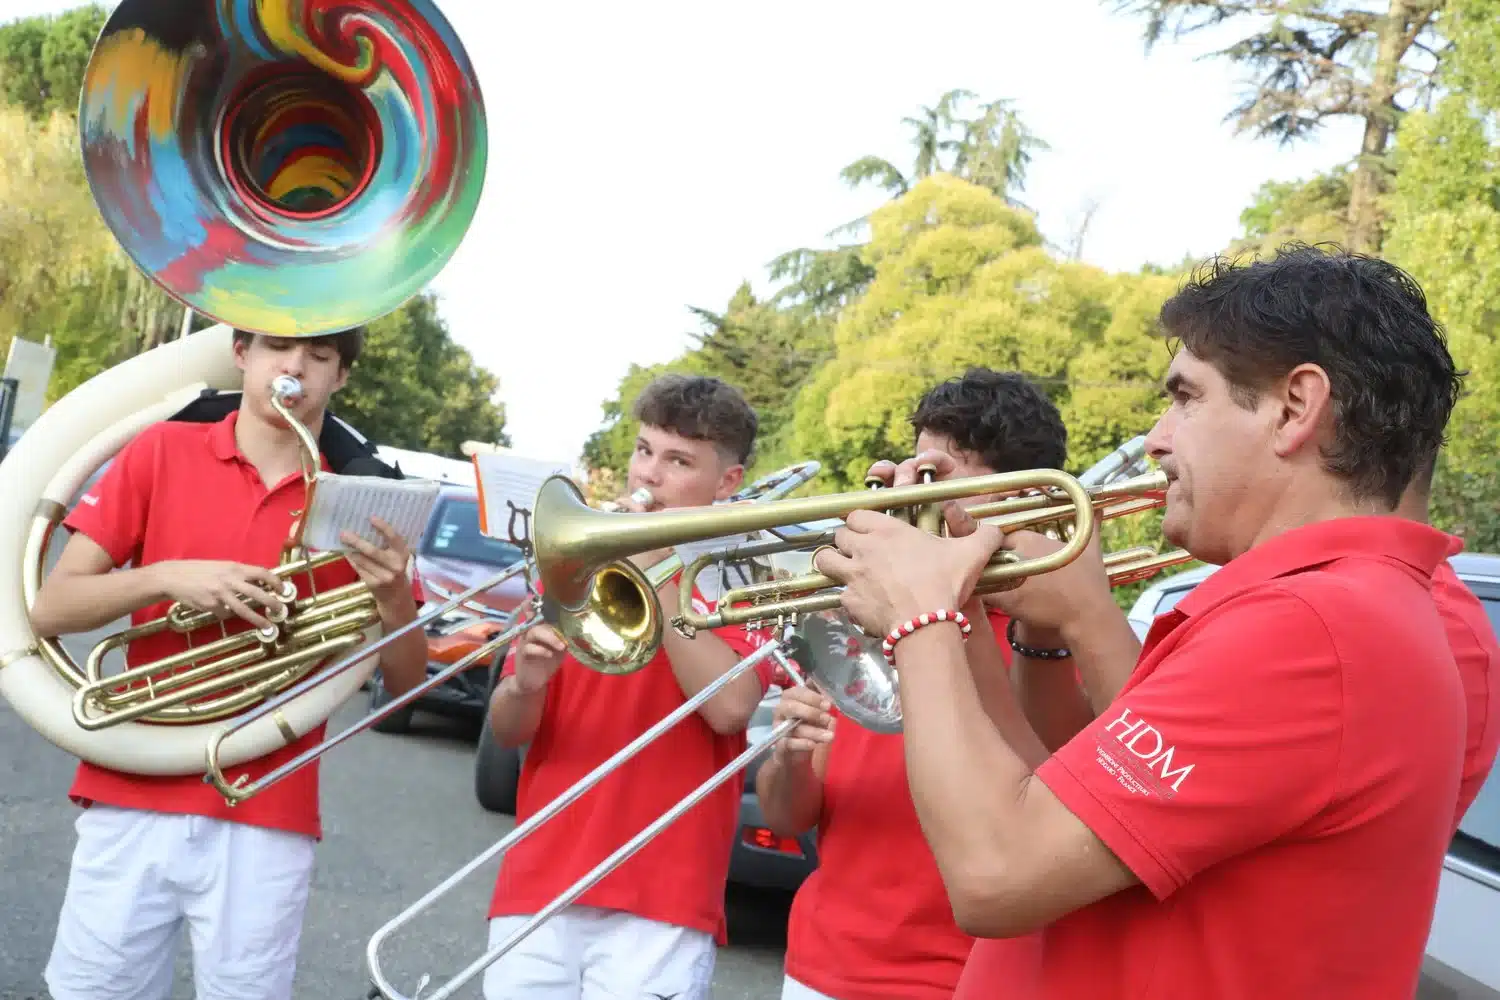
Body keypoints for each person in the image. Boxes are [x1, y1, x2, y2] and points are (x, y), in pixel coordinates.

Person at [812, 244, 1482, 1000]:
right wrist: (963, 613)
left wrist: (919, 617)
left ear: (1296, 408)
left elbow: (995, 872)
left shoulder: (1312, 630)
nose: (1159, 439)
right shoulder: (1315, 608)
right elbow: (1041, 796)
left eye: (1186, 399)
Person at [30, 326, 429, 1000]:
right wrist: (169, 579)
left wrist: (393, 595)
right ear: (242, 354)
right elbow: (53, 608)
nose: (295, 367)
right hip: (132, 786)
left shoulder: (360, 498)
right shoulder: (161, 450)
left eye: (321, 357)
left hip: (267, 804)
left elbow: (406, 685)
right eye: (278, 347)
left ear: (340, 379)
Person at [757, 367, 1066, 1000]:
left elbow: (1053, 822)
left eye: (936, 479)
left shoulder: (1052, 641)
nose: (908, 496)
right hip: (819, 968)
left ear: (1020, 494)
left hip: (961, 984)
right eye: (912, 475)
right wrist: (787, 756)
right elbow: (790, 816)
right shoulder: (857, 620)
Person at [483, 373, 780, 1000]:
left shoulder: (743, 580)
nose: (648, 475)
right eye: (644, 450)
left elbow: (730, 709)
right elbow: (509, 732)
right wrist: (527, 686)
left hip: (663, 898)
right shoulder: (572, 568)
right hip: (540, 880)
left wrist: (661, 570)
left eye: (678, 461)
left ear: (727, 483)